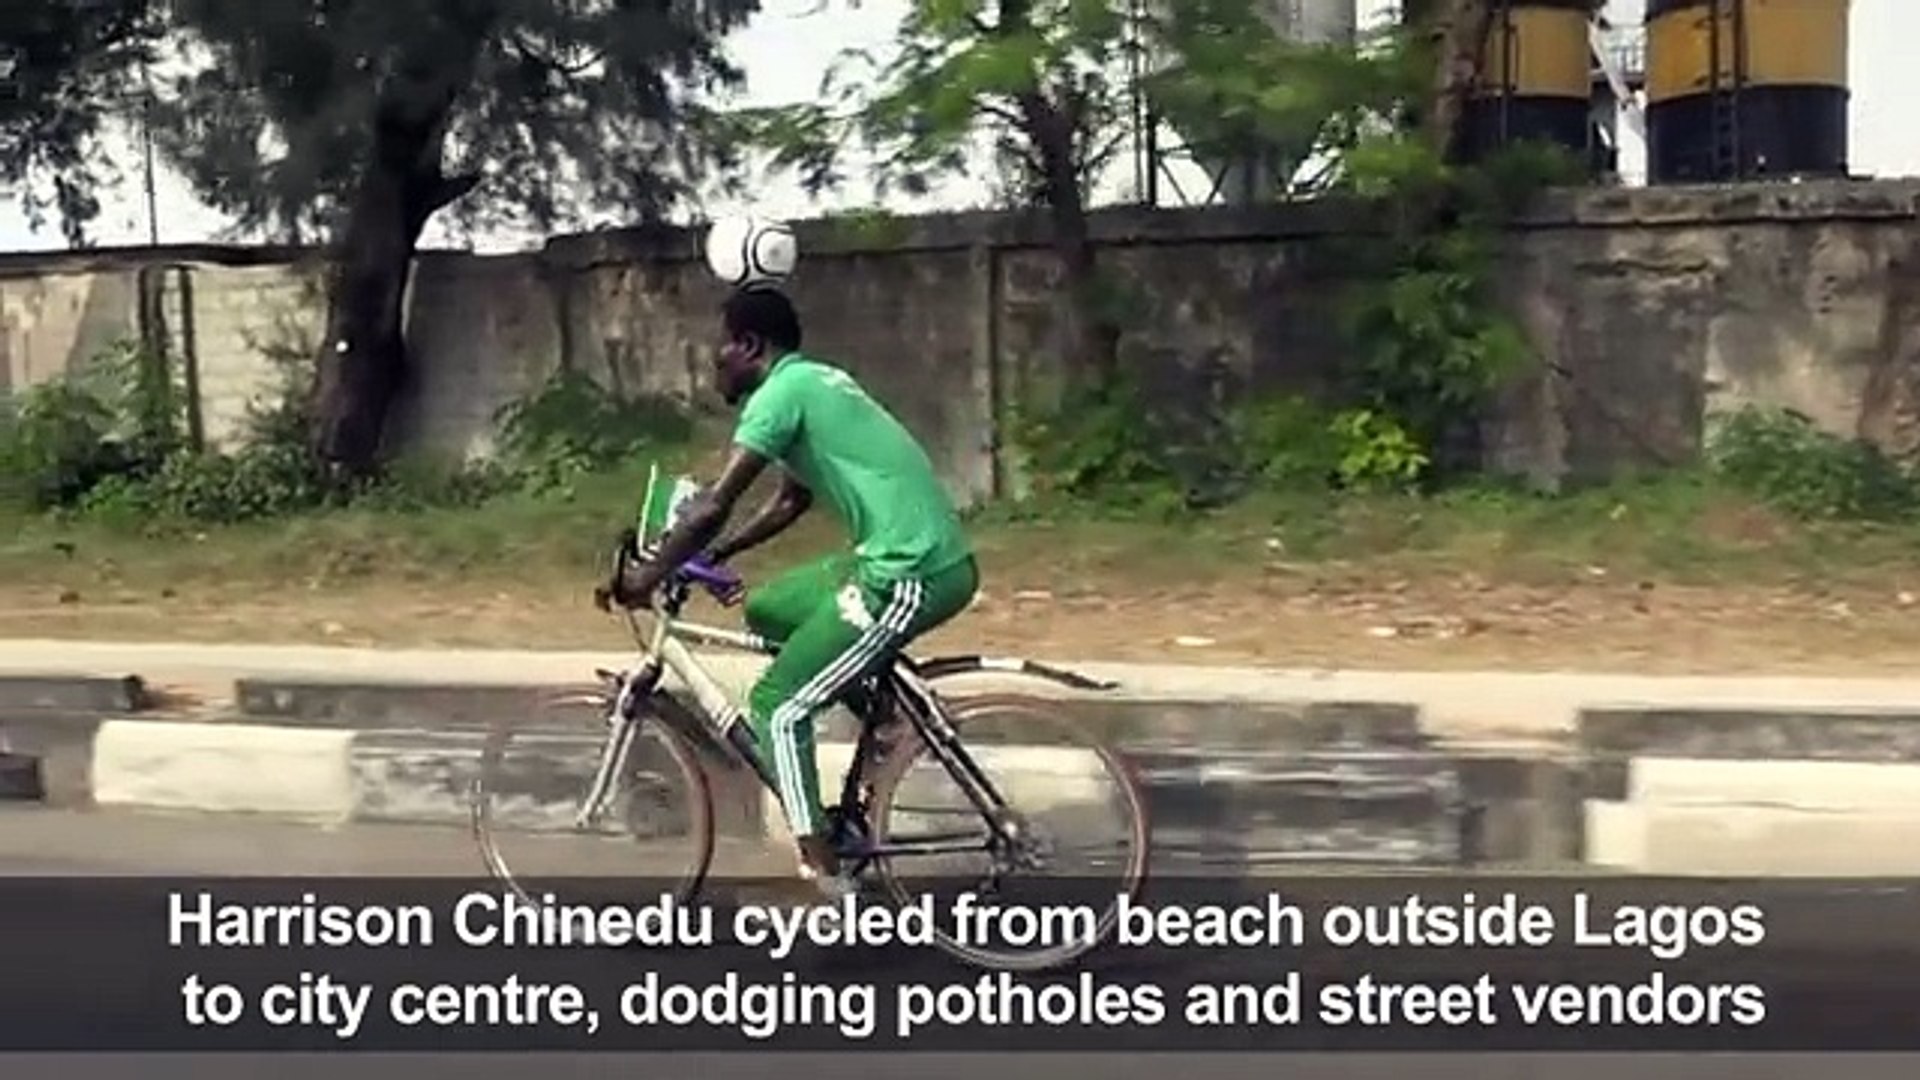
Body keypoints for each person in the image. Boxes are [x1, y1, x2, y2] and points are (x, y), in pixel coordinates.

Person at [598, 284, 980, 897]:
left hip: (910, 573)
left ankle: (827, 872)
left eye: (719, 346)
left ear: (748, 345)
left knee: (777, 707)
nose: (713, 359)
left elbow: (712, 505)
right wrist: (716, 557)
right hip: (904, 556)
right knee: (772, 609)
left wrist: (644, 577)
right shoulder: (815, 381)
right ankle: (875, 713)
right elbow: (790, 498)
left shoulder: (776, 397)